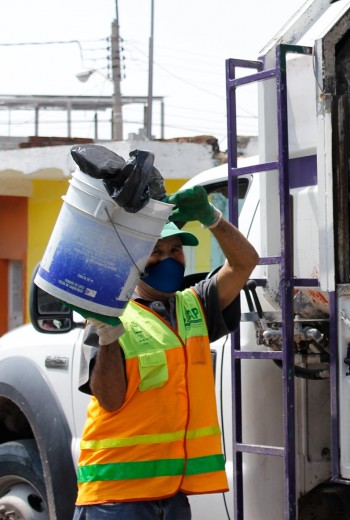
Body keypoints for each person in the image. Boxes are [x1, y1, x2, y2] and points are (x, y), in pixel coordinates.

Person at [72, 185, 259, 520]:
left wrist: (211, 218)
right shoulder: (112, 316)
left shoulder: (195, 306)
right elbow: (110, 400)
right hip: (115, 498)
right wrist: (109, 337)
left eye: (176, 249)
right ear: (134, 259)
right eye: (155, 252)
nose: (169, 258)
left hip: (172, 496)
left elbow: (245, 262)